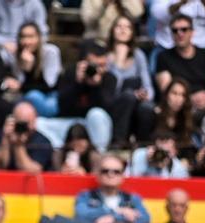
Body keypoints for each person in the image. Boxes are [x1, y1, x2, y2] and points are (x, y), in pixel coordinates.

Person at [45, 41, 115, 152]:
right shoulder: (71, 73)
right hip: (71, 122)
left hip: (94, 126)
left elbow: (107, 110)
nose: (97, 69)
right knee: (39, 123)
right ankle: (59, 154)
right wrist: (77, 83)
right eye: (94, 65)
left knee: (96, 114)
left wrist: (96, 86)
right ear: (83, 63)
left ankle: (99, 155)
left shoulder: (109, 78)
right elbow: (62, 106)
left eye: (102, 65)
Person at [154, 14, 205, 112]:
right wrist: (190, 99)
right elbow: (166, 89)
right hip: (180, 105)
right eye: (175, 30)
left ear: (192, 32)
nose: (179, 33)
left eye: (184, 29)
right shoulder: (163, 57)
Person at [104, 14, 156, 147]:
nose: (123, 30)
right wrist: (119, 60)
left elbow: (148, 87)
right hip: (111, 103)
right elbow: (112, 88)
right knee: (127, 95)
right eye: (119, 26)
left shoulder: (138, 55)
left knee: (147, 107)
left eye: (127, 27)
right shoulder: (105, 55)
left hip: (133, 103)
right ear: (112, 30)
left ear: (132, 32)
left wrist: (144, 94)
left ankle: (142, 145)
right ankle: (118, 141)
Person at [150, 0, 205, 77]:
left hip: (204, 45)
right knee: (153, 70)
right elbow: (156, 13)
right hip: (169, 45)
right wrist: (181, 2)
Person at [74, 153, 150, 223]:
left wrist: (114, 218)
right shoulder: (85, 196)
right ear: (97, 175)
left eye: (116, 172)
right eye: (105, 171)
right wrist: (118, 211)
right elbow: (82, 216)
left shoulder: (132, 198)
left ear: (122, 176)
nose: (111, 175)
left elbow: (145, 219)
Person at [6, 22, 60, 118]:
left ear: (39, 38)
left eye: (31, 37)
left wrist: (30, 69)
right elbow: (20, 85)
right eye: (23, 37)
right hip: (25, 96)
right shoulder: (16, 55)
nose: (26, 42)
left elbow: (49, 86)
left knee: (34, 97)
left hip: (49, 96)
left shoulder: (51, 52)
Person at [0, 100, 51, 173]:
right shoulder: (5, 134)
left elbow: (32, 172)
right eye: (20, 123)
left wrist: (19, 145)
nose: (23, 128)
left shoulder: (42, 141)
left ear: (35, 121)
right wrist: (6, 139)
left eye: (27, 123)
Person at [155, 78, 196, 156]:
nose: (178, 99)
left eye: (182, 95)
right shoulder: (155, 114)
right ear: (167, 95)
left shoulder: (187, 119)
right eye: (174, 93)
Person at [79, 0, 144, 43]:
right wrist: (103, 5)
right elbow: (88, 22)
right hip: (95, 42)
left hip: (119, 44)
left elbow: (137, 13)